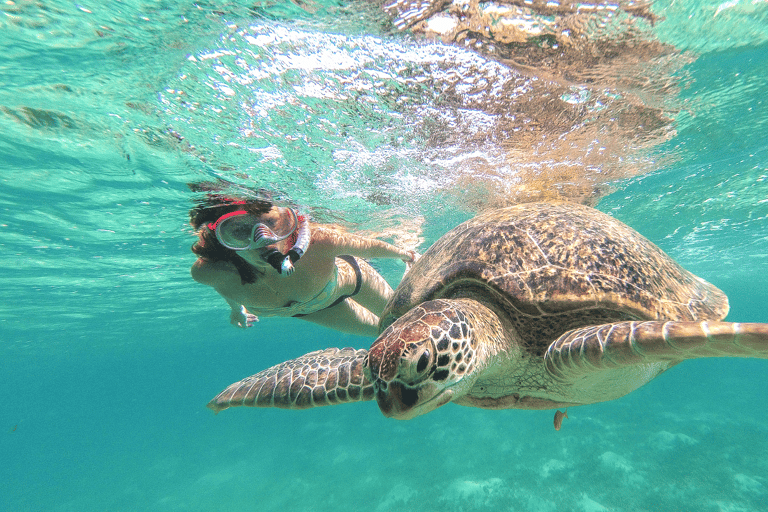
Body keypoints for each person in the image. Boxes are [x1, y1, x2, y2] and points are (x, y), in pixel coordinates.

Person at [189, 198, 418, 336]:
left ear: (287, 220)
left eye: (270, 223)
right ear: (220, 237)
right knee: (385, 332)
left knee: (407, 321)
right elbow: (224, 288)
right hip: (315, 310)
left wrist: (405, 255)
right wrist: (237, 311)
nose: (264, 238)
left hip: (351, 281)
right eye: (239, 230)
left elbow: (370, 248)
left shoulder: (319, 241)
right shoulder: (208, 272)